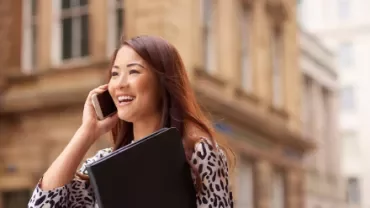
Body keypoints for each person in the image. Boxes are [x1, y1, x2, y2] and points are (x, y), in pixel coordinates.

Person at [28, 35, 234, 208]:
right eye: (115, 74)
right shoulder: (104, 165)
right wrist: (86, 132)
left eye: (134, 71)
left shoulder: (198, 153)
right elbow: (41, 204)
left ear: (163, 82)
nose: (119, 84)